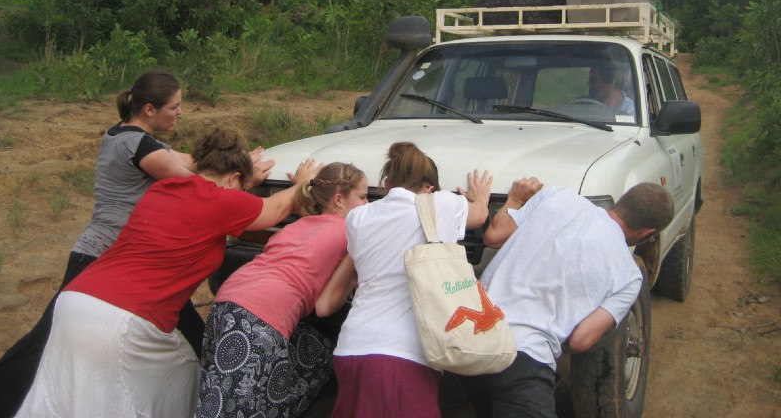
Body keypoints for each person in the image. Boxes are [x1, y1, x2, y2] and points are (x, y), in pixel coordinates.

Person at [0, 69, 274, 418]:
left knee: (187, 342)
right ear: (149, 109)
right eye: (174, 106)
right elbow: (197, 181)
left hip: (131, 264)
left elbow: (195, 162)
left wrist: (235, 161)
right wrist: (241, 177)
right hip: (106, 257)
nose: (179, 112)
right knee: (46, 342)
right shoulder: (138, 145)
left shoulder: (130, 137)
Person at [14, 127, 320, 418]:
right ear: (236, 178)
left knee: (59, 401)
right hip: (124, 318)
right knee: (157, 389)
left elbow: (218, 211)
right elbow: (275, 210)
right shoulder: (219, 200)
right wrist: (301, 185)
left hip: (75, 302)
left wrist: (241, 190)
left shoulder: (164, 188)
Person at [460, 177, 675, 418]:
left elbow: (494, 236)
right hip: (524, 358)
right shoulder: (629, 276)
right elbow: (580, 341)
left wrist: (515, 199)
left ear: (623, 201)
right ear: (648, 233)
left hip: (471, 338)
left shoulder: (557, 195)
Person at [330, 141, 493, 418]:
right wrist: (480, 199)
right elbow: (479, 216)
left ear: (387, 183)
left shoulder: (357, 217)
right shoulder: (441, 204)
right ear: (429, 187)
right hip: (402, 355)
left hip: (351, 347)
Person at [196, 162, 369, 418]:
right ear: (338, 199)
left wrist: (301, 186)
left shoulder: (302, 225)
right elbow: (325, 307)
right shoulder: (350, 231)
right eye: (363, 197)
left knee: (221, 396)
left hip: (228, 301)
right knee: (229, 411)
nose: (368, 205)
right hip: (262, 317)